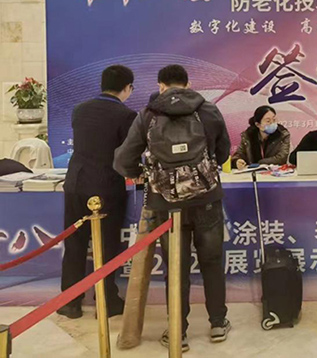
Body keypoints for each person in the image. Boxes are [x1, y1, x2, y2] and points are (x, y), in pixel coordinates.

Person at [114, 65, 231, 351]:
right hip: (206, 199)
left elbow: (123, 160)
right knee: (212, 261)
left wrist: (141, 173)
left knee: (176, 267)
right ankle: (218, 323)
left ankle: (179, 330)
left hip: (166, 204)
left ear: (161, 86)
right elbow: (223, 151)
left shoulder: (148, 114)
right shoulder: (208, 110)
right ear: (188, 84)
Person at [58, 65, 137, 320]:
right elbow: (127, 154)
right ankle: (106, 300)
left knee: (75, 244)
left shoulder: (80, 110)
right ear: (127, 88)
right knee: (106, 245)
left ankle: (70, 302)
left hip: (75, 183)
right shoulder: (126, 115)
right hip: (106, 187)